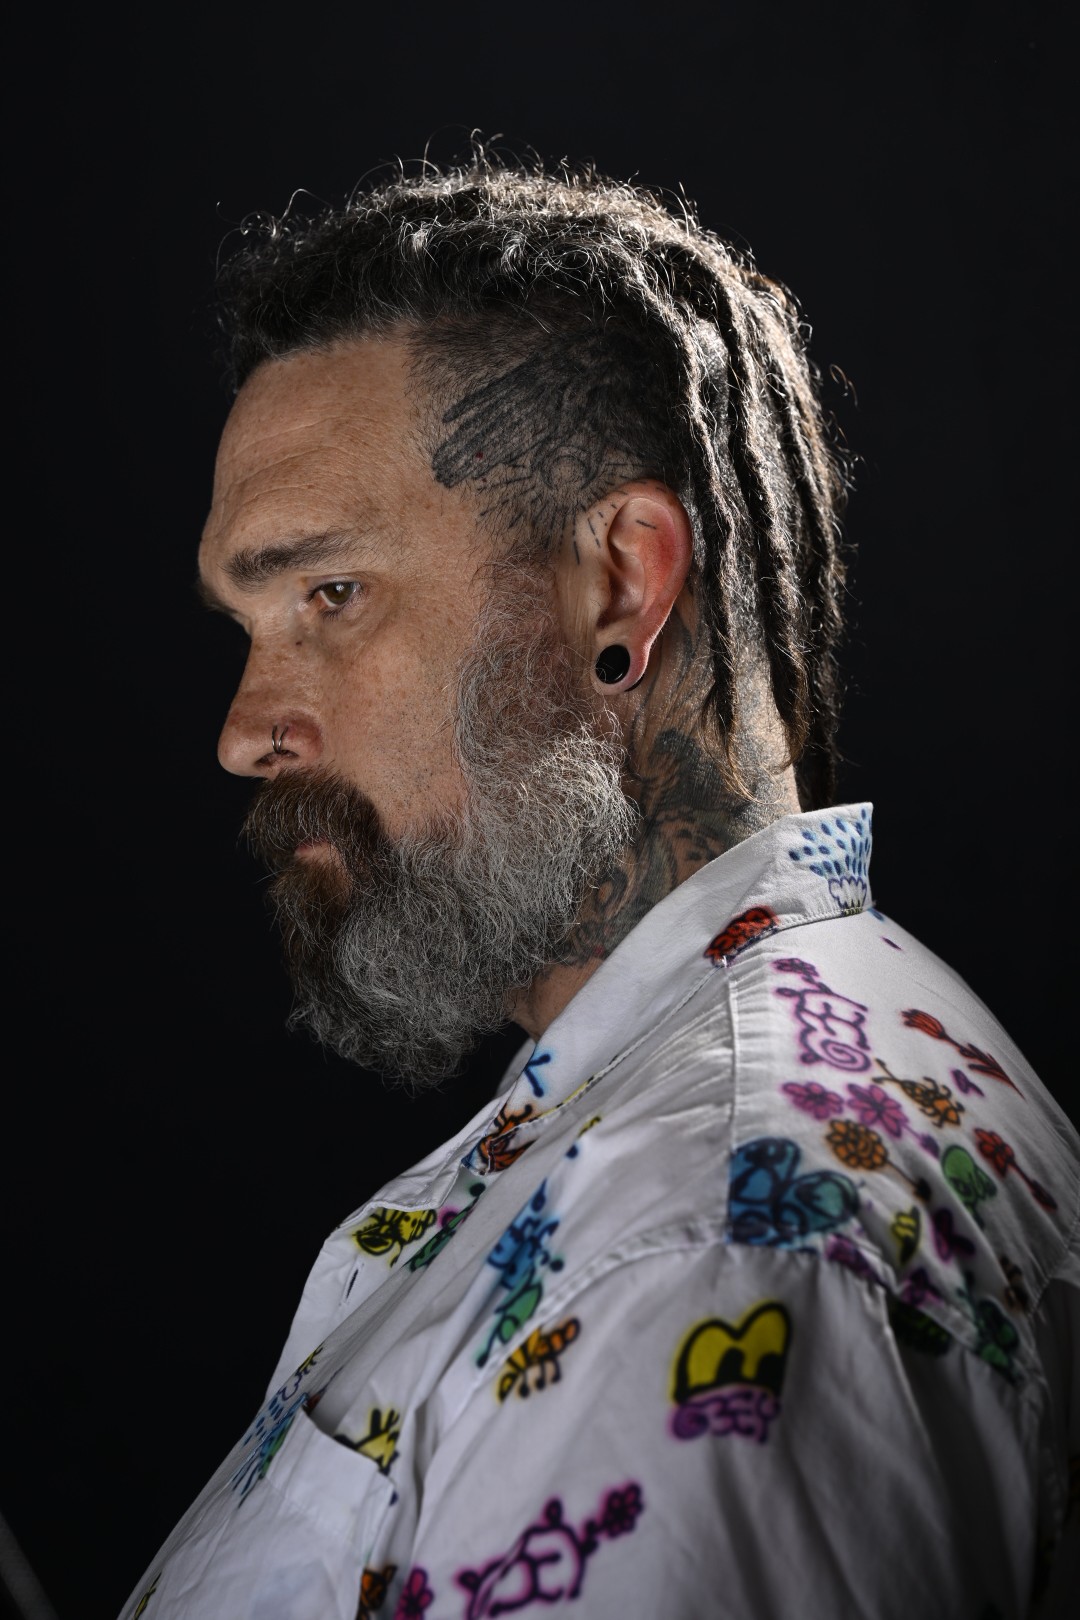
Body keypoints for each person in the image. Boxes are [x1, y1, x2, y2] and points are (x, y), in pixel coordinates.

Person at [121, 155, 1078, 1620]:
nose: (246, 731)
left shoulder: (692, 1249)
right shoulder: (748, 1095)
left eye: (330, 595)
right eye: (246, 624)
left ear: (622, 588)